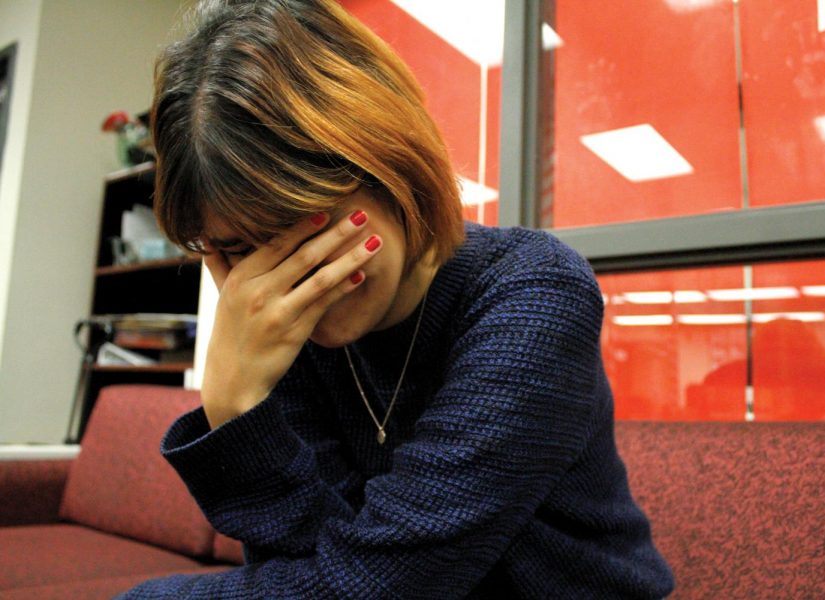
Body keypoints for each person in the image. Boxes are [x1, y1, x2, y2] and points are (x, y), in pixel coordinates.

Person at [121, 0, 674, 597]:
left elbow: (379, 583)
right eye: (237, 249)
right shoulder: (282, 327)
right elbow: (318, 561)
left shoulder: (534, 291)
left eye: (308, 232)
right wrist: (235, 410)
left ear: (389, 164)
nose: (289, 283)